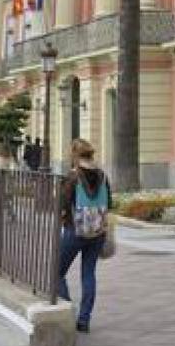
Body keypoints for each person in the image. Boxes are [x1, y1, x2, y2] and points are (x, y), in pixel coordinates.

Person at [57, 138, 112, 333]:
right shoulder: (103, 176)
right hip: (97, 232)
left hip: (75, 231)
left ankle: (68, 311)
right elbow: (110, 204)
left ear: (74, 154)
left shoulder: (73, 177)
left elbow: (61, 205)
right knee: (88, 274)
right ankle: (84, 320)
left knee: (57, 272)